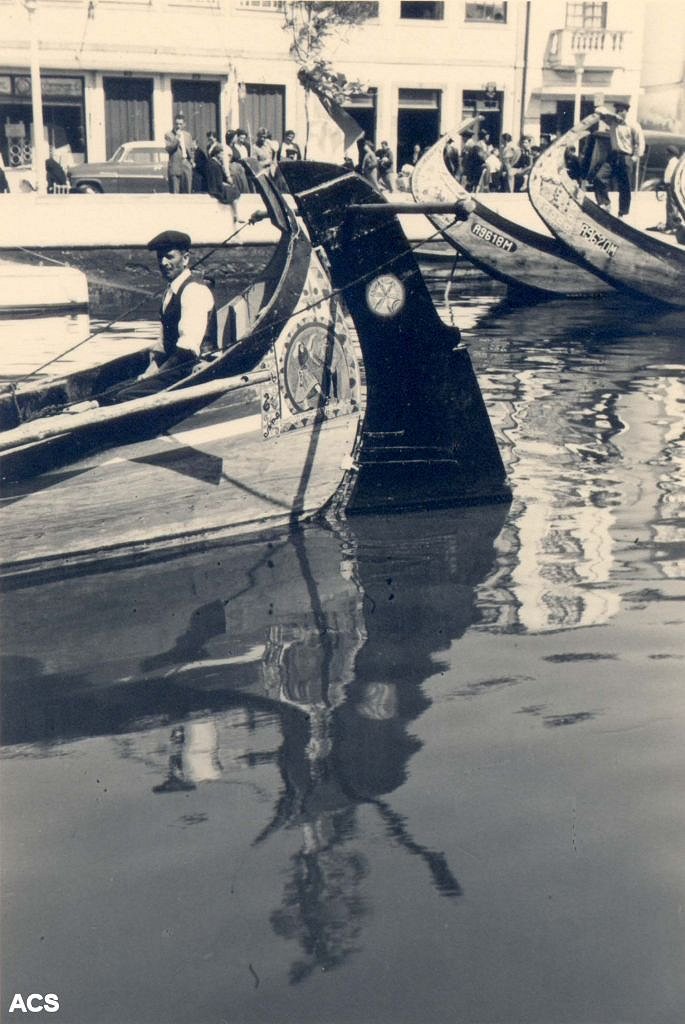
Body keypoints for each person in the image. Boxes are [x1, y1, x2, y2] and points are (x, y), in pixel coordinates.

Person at [125, 231, 217, 396]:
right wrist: (150, 370)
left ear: (185, 259)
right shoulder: (170, 292)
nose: (163, 262)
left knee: (125, 395)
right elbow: (164, 344)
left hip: (194, 367)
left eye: (169, 257)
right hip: (174, 365)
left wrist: (155, 375)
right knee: (118, 387)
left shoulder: (194, 291)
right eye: (160, 257)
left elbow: (187, 350)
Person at [592, 100, 644, 217]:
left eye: (621, 110)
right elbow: (598, 110)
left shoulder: (633, 125)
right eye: (617, 110)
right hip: (613, 155)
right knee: (599, 178)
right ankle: (605, 204)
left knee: (624, 186)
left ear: (626, 112)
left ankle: (623, 213)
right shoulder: (612, 121)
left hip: (626, 156)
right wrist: (612, 115)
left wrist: (634, 158)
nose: (619, 112)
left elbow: (639, 143)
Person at [165, 113, 194, 194]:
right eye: (176, 124)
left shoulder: (187, 135)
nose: (178, 126)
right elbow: (169, 149)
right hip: (175, 165)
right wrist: (177, 138)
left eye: (180, 124)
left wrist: (191, 160)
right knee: (175, 193)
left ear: (184, 124)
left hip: (186, 164)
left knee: (187, 191)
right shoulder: (169, 135)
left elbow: (191, 149)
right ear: (174, 124)